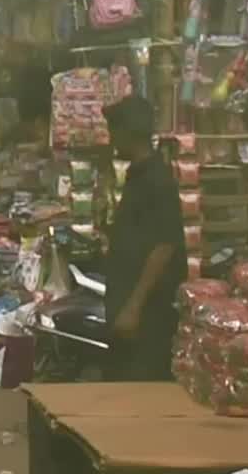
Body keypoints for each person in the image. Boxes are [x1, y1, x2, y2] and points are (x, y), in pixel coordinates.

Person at [103, 95, 187, 382]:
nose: (112, 138)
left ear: (128, 132)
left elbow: (164, 247)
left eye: (114, 130)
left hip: (148, 316)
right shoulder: (138, 177)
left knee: (141, 389)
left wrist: (133, 307)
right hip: (129, 307)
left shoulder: (157, 180)